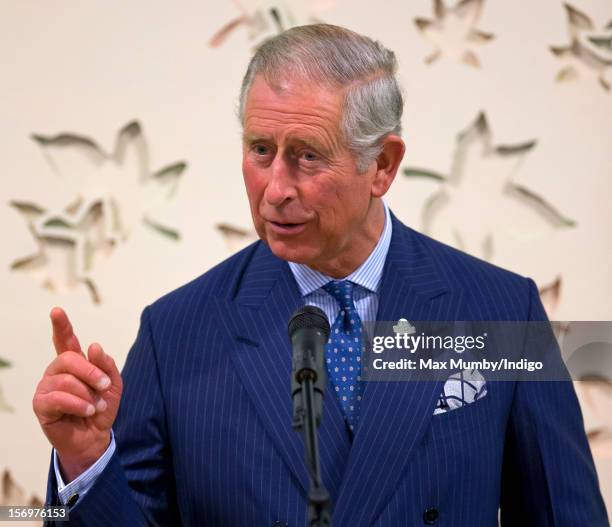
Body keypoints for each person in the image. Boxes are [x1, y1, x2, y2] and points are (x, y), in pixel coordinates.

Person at [33, 24, 608, 526]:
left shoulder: (502, 308)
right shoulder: (175, 331)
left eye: (307, 155)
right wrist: (86, 462)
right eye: (261, 150)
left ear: (382, 165)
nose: (276, 189)